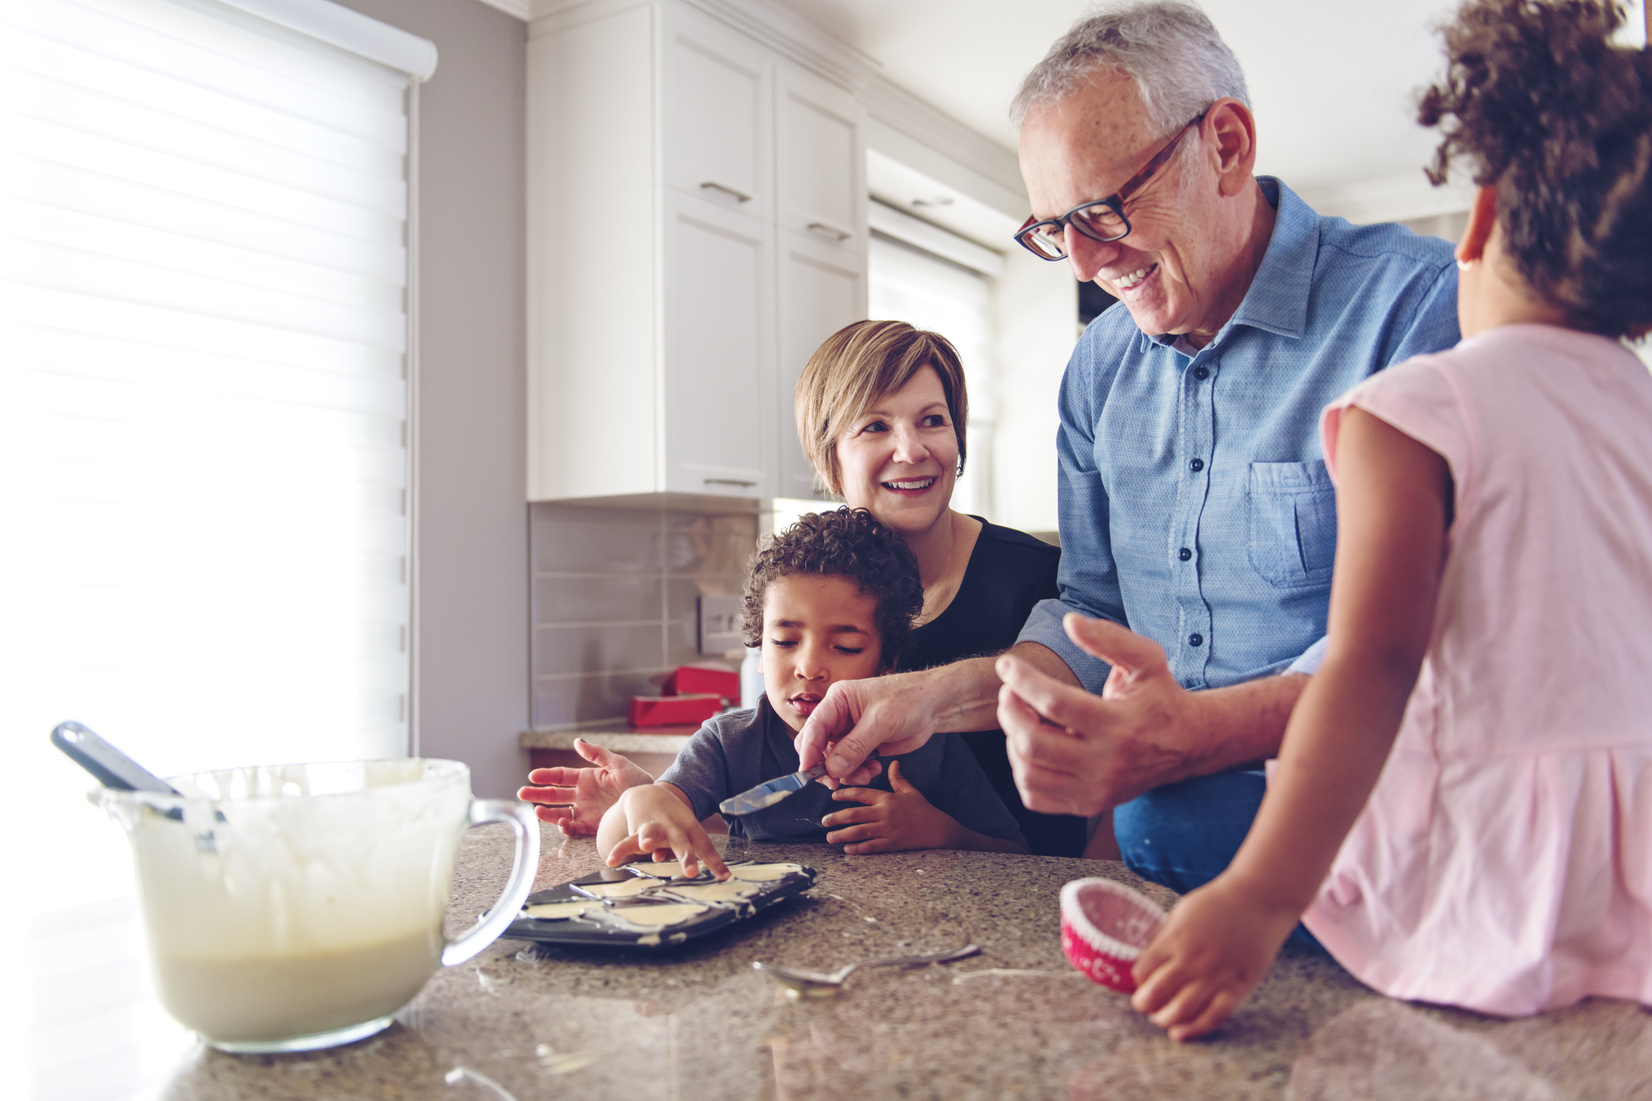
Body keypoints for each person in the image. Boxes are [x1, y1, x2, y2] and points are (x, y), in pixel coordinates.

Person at [796, 0, 1461, 891]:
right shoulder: (1099, 373)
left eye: (1103, 208)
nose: (1080, 261)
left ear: (1226, 145)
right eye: (1050, 229)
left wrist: (1191, 736)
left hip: (1388, 860)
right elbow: (1088, 620)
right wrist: (920, 700)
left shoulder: (1412, 312)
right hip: (1163, 868)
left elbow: (1435, 642)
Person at [1130, 0, 1652, 1039]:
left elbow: (1368, 666)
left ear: (1483, 216)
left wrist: (1257, 898)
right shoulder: (1637, 407)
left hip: (1493, 869)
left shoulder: (1413, 407)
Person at [524, 320, 1075, 854]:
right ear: (829, 457)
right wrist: (656, 799)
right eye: (875, 426)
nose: (910, 450)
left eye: (932, 420)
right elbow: (772, 805)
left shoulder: (1041, 582)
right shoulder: (807, 589)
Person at [597, 508, 1027, 878]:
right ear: (759, 651)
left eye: (845, 647)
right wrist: (643, 799)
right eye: (784, 642)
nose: (808, 667)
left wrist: (940, 833)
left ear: (888, 662)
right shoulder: (727, 744)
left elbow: (1019, 857)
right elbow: (616, 845)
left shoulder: (928, 744)